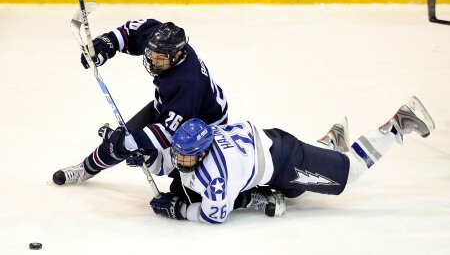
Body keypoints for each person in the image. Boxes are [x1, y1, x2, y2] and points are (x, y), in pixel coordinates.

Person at [116, 95, 433, 224]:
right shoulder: (191, 147)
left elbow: (214, 215)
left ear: (203, 151)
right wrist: (147, 158)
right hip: (269, 147)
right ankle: (329, 143)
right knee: (295, 193)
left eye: (189, 156)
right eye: (179, 154)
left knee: (347, 175)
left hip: (284, 160)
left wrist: (180, 210)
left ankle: (396, 125)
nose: (181, 160)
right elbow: (170, 163)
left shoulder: (215, 173)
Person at [52, 19, 233, 203]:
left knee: (186, 188)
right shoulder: (161, 41)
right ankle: (85, 169)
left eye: (160, 57)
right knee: (118, 142)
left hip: (202, 127)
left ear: (177, 54)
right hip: (169, 107)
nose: (154, 60)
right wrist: (106, 44)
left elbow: (167, 132)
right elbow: (132, 31)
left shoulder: (187, 83)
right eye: (152, 54)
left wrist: (131, 143)